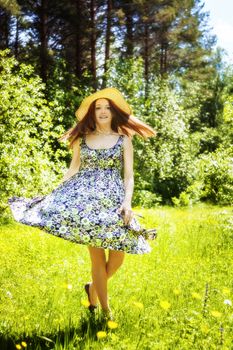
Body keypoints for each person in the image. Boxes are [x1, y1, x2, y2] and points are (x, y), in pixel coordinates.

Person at [8, 87, 157, 320]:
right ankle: (104, 311)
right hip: (84, 202)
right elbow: (73, 168)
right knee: (97, 258)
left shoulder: (123, 139)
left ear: (114, 111)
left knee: (118, 257)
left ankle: (92, 288)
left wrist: (127, 203)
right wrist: (53, 193)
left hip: (113, 202)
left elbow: (129, 175)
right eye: (98, 108)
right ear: (92, 112)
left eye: (107, 107)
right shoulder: (83, 138)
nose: (103, 111)